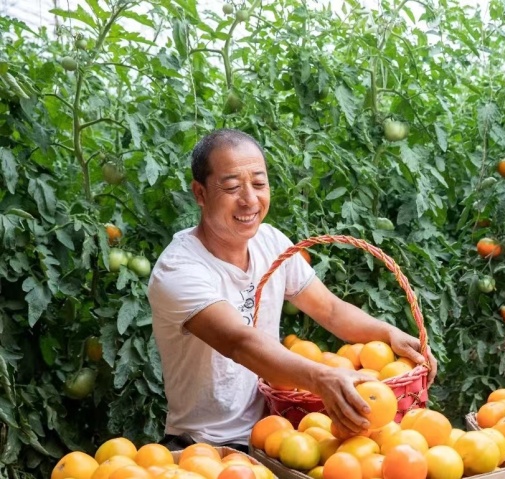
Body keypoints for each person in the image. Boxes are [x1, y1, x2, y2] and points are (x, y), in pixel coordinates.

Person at [147, 128, 437, 450]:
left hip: (279, 437)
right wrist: (322, 378)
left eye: (259, 184)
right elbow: (239, 342)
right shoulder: (179, 268)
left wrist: (388, 334)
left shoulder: (271, 242)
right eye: (231, 187)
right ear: (200, 194)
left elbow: (330, 309)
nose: (249, 200)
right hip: (204, 447)